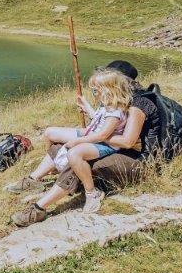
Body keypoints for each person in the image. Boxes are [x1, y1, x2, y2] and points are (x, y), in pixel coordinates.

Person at [9, 60, 160, 226]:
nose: (96, 91)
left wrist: (88, 138)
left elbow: (127, 142)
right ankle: (35, 179)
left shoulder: (137, 103)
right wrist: (88, 121)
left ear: (117, 82)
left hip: (134, 158)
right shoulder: (115, 100)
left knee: (78, 157)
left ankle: (40, 207)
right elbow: (103, 125)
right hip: (112, 146)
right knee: (63, 146)